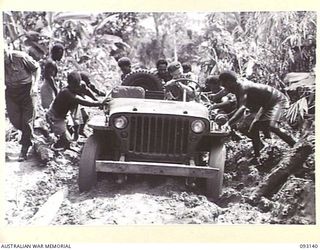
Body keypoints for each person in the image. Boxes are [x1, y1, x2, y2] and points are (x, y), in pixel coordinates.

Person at [219, 70, 296, 163]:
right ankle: (257, 157)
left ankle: (296, 146)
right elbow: (238, 109)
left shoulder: (243, 87)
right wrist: (227, 117)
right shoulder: (237, 89)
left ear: (230, 82)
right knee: (253, 128)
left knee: (272, 126)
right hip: (266, 105)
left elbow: (242, 109)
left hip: (278, 101)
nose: (226, 89)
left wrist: (228, 123)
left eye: (225, 86)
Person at [46, 71, 106, 150]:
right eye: (74, 86)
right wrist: (100, 103)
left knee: (82, 118)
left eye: (78, 86)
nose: (76, 88)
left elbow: (87, 91)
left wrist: (96, 99)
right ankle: (57, 145)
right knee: (67, 140)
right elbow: (84, 102)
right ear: (69, 83)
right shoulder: (66, 92)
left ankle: (74, 134)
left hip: (67, 112)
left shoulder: (81, 85)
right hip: (55, 117)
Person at [4, 47, 41, 161]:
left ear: (7, 51)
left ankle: (24, 150)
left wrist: (35, 86)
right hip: (11, 92)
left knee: (27, 121)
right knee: (14, 120)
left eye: (4, 53)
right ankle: (29, 134)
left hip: (26, 90)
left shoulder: (20, 57)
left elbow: (36, 68)